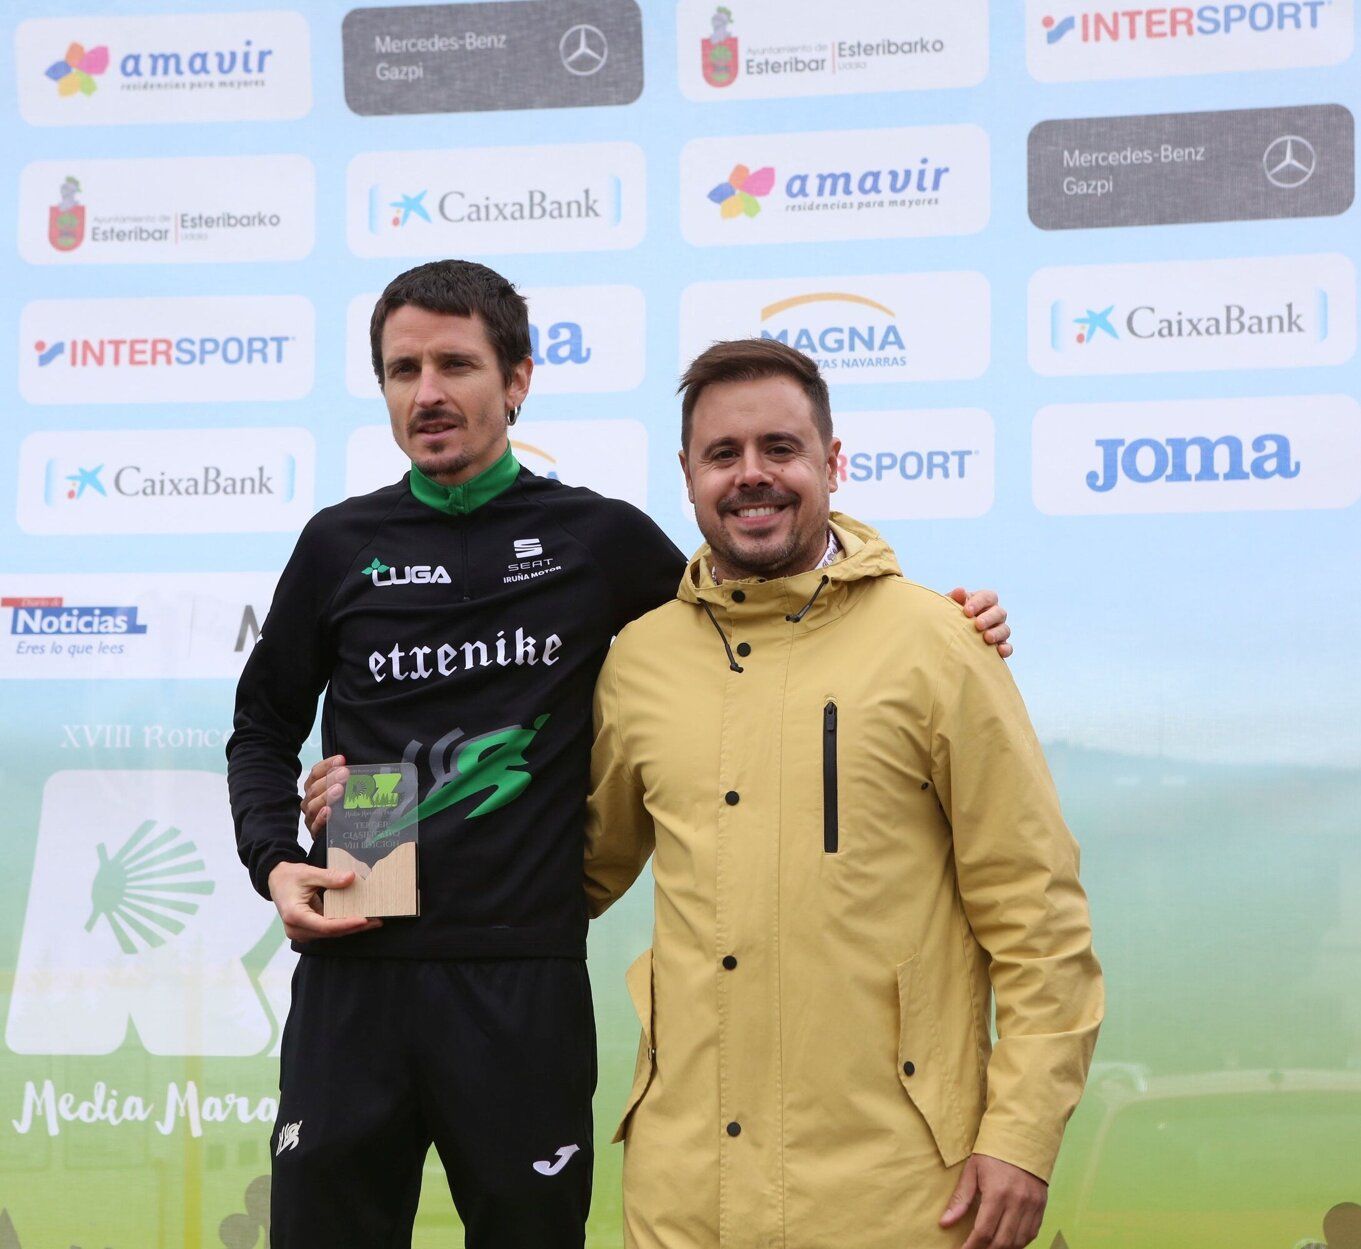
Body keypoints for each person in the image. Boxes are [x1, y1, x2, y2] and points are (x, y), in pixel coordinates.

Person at [230, 260, 1014, 1249]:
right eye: (402, 370)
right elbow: (262, 727)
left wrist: (939, 619)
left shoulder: (595, 539)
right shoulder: (339, 543)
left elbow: (752, 615)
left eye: (456, 365)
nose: (427, 392)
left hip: (520, 975)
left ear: (517, 379)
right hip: (357, 956)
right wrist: (275, 857)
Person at [583, 338, 1104, 1249]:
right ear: (687, 473)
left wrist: (1020, 1138)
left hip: (899, 1197)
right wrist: (376, 836)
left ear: (833, 461)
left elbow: (1038, 915)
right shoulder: (639, 660)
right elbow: (571, 873)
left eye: (780, 448)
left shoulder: (938, 643)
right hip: (683, 1199)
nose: (751, 474)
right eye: (722, 453)